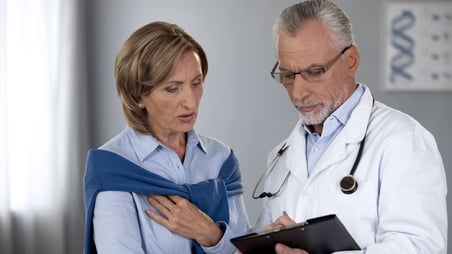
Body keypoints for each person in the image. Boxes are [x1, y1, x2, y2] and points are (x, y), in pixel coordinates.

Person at [253, 0, 448, 253]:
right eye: (288, 75)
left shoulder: (403, 140)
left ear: (351, 61)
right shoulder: (281, 155)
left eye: (314, 71)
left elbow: (422, 247)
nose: (298, 92)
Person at [82, 21, 250, 254]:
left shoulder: (221, 159)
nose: (190, 102)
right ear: (136, 95)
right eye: (173, 88)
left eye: (196, 83)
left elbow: (245, 248)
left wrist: (208, 232)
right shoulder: (113, 168)